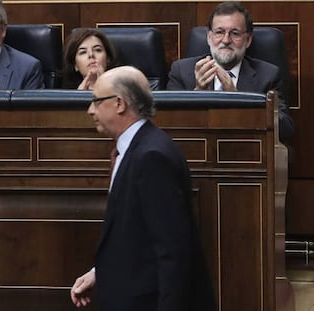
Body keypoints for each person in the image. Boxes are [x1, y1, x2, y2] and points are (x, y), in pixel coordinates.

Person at [70, 66, 216, 310]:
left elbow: (172, 250)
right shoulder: (138, 148)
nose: (90, 110)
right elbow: (135, 236)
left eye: (96, 101)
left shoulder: (152, 157)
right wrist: (100, 273)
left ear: (119, 104)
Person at [167, 1, 293, 149]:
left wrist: (237, 100)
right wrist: (198, 93)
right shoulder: (182, 71)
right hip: (196, 154)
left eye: (235, 33)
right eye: (219, 32)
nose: (226, 40)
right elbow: (168, 125)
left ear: (248, 40)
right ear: (209, 37)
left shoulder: (268, 75)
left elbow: (285, 128)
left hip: (247, 154)